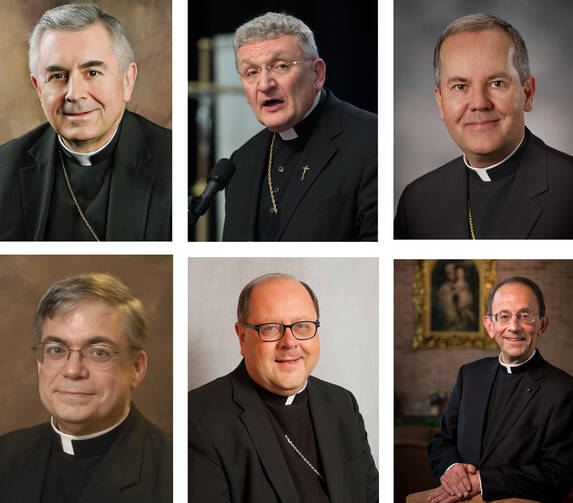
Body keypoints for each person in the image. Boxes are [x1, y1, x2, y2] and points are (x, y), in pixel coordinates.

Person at [189, 273, 378, 502]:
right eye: (270, 328)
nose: (289, 342)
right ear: (242, 337)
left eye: (302, 326)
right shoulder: (198, 416)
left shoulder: (342, 403)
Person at [0, 3, 171, 241]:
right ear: (39, 89)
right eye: (58, 76)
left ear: (127, 81)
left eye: (92, 72)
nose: (74, 93)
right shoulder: (4, 168)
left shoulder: (174, 161)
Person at [394, 13, 573, 239]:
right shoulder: (416, 202)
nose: (479, 103)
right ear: (440, 101)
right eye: (460, 86)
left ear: (527, 94)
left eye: (497, 83)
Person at [0, 273, 172, 502]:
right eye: (56, 350)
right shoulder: (5, 455)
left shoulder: (177, 470)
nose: (73, 370)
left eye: (99, 352)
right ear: (40, 362)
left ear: (136, 368)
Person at [222, 12, 377, 241]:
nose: (264, 85)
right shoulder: (240, 162)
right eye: (252, 72)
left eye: (281, 66)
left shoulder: (372, 141)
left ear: (317, 73)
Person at [427, 277, 573, 502]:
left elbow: (559, 474)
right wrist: (452, 468)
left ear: (542, 324)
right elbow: (442, 441)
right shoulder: (469, 375)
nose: (513, 327)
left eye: (525, 316)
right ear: (490, 325)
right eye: (504, 316)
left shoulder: (562, 389)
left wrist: (483, 481)